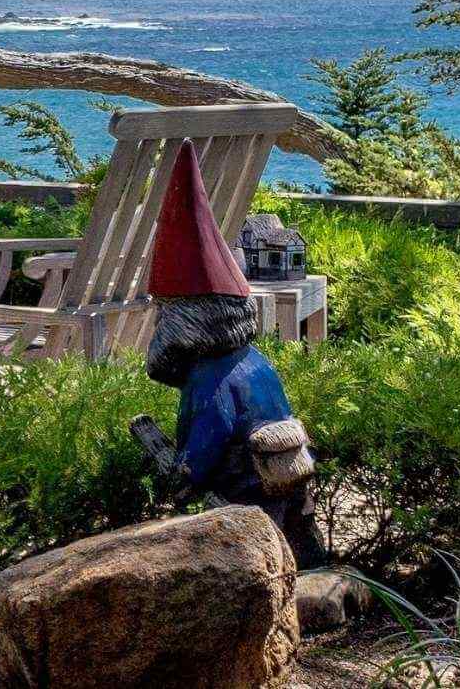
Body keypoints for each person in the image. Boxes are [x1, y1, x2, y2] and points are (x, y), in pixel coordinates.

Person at [126, 149, 326, 567]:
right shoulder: (258, 361)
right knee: (301, 541)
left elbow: (204, 448)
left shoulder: (209, 381)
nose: (159, 325)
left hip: (247, 492)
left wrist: (183, 474)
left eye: (165, 313)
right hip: (292, 477)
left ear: (189, 320)